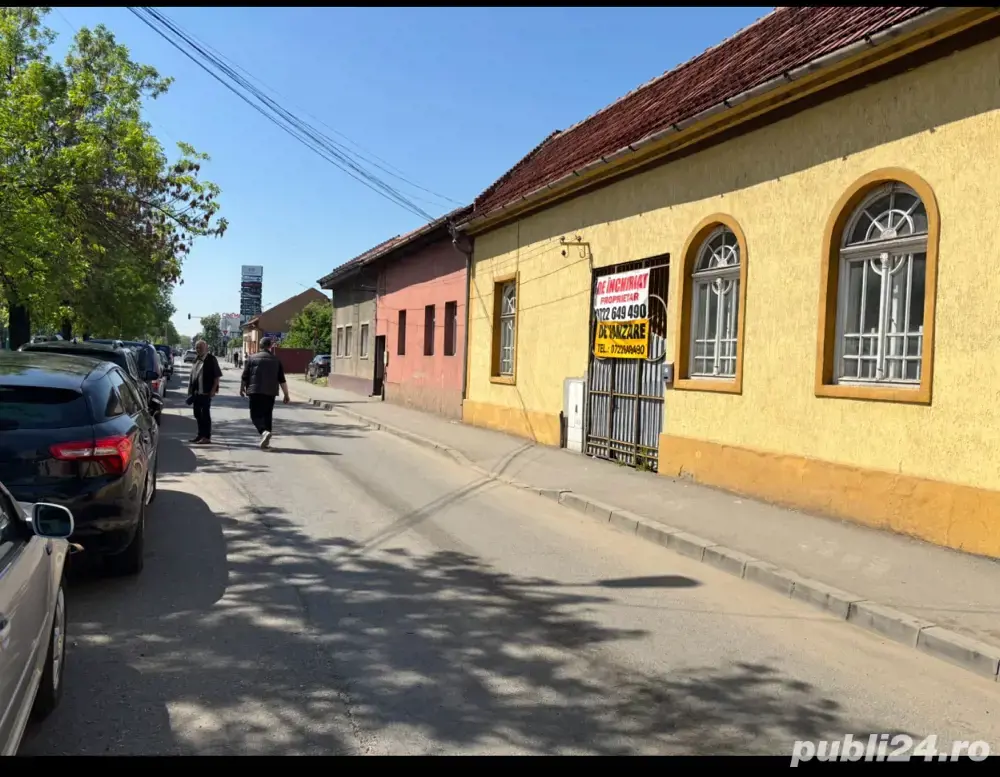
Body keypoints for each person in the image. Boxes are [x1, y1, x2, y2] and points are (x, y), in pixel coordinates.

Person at [240, 337, 290, 449]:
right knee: (267, 415)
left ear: (260, 346)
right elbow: (282, 379)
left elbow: (245, 376)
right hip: (270, 392)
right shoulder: (276, 360)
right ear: (270, 346)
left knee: (254, 415)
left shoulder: (252, 358)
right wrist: (286, 394)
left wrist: (241, 388)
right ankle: (266, 437)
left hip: (255, 391)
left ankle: (263, 432)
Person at [188, 340, 222, 444]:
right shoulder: (196, 359)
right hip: (196, 393)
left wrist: (213, 390)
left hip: (206, 392)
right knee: (197, 414)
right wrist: (190, 391)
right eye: (197, 347)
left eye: (200, 347)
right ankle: (200, 435)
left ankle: (206, 437)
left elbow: (216, 376)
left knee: (205, 415)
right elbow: (193, 376)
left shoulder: (211, 359)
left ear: (206, 348)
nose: (198, 349)